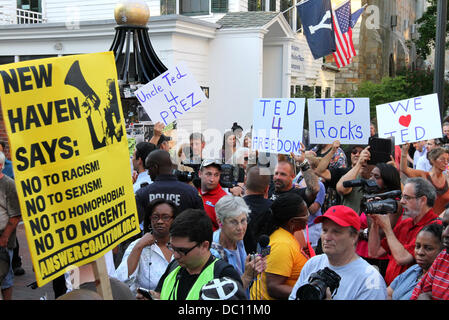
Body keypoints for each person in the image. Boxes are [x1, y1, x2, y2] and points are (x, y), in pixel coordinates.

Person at [289, 205, 387, 300]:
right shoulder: (313, 263)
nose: (327, 237)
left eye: (336, 232)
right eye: (324, 230)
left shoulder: (370, 280)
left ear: (354, 237)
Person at [152, 209, 242, 300]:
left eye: (182, 250)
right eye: (172, 248)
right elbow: (160, 294)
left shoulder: (224, 275)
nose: (175, 255)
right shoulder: (174, 266)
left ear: (204, 246)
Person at [368, 177, 442, 285]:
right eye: (402, 197)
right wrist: (375, 222)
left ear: (423, 200)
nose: (402, 201)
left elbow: (402, 258)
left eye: (407, 197)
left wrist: (387, 228)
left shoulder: (434, 227)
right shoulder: (406, 223)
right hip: (390, 289)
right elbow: (374, 252)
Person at [250, 192, 309, 300]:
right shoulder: (282, 245)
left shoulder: (284, 235)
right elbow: (274, 288)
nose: (308, 218)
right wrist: (306, 294)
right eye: (305, 215)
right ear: (292, 222)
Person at [116, 199, 178, 295]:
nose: (160, 221)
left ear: (174, 220)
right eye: (155, 217)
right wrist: (139, 247)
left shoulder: (181, 245)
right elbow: (121, 280)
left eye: (165, 217)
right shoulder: (138, 245)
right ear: (150, 220)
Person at [210, 195, 266, 293]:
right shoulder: (213, 252)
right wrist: (247, 276)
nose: (240, 227)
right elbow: (224, 295)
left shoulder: (237, 239)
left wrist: (254, 269)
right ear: (220, 222)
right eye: (233, 222)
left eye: (243, 221)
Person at [135, 149, 204, 226]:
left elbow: (136, 223)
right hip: (183, 236)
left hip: (154, 237)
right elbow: (202, 223)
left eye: (149, 168)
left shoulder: (142, 193)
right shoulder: (191, 192)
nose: (148, 172)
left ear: (155, 167)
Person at [388, 224, 443, 300]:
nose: (420, 252)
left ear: (442, 251)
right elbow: (387, 293)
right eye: (417, 246)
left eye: (428, 248)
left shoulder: (441, 282)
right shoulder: (414, 269)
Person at [410, 207, 449, 300]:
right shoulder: (443, 257)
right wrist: (425, 296)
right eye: (444, 227)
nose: (445, 234)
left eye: (428, 248)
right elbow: (420, 292)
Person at [400, 144, 449, 217]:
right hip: (425, 221)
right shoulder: (423, 175)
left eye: (447, 160)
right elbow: (404, 169)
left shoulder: (447, 179)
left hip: (442, 223)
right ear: (433, 160)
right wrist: (404, 153)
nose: (446, 162)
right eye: (442, 159)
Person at [0, 151, 21, 300]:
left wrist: (4, 238)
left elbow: (15, 216)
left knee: (5, 275)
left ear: (0, 166)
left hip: (2, 238)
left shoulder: (8, 184)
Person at [336, 145, 374, 214]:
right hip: (351, 223)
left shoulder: (378, 179)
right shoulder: (353, 177)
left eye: (362, 152)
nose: (358, 155)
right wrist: (359, 163)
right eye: (354, 152)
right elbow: (341, 189)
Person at [243, 166, 272, 253]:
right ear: (267, 188)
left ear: (245, 181)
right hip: (265, 258)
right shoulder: (273, 208)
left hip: (240, 257)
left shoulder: (236, 206)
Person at [197, 159, 228, 231]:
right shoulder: (193, 190)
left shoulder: (223, 199)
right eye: (208, 174)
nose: (212, 179)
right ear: (200, 174)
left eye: (216, 175)